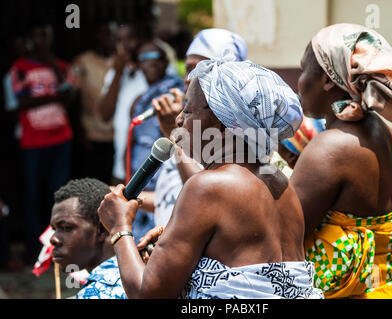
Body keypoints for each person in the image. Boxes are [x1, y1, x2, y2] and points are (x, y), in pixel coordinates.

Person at [97, 56, 323, 299]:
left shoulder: (207, 186)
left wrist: (120, 227)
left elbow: (147, 295)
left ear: (224, 124)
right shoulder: (280, 181)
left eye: (188, 110)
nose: (179, 120)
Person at [289, 23, 392, 298]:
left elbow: (281, 232)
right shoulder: (391, 139)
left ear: (327, 79)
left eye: (303, 70)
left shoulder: (332, 146)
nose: (299, 82)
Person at [151, 28, 248, 228]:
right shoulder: (176, 116)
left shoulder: (238, 132)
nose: (189, 78)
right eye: (188, 68)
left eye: (203, 68)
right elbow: (169, 196)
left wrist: (177, 136)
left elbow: (206, 192)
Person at [9, 22, 75, 263]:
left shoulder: (62, 66)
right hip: (32, 142)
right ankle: (32, 251)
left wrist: (50, 63)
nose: (43, 40)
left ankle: (57, 251)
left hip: (61, 139)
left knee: (58, 196)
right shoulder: (19, 68)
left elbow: (69, 96)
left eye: (46, 35)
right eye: (38, 35)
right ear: (30, 39)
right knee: (33, 196)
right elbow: (17, 105)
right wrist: (55, 97)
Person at [127, 41, 183, 241]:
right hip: (140, 176)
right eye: (144, 58)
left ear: (165, 62)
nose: (150, 63)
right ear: (137, 64)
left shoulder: (176, 93)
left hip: (164, 181)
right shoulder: (140, 99)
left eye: (155, 58)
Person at [49, 178, 127, 299]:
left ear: (101, 229)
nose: (53, 239)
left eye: (66, 228)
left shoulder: (99, 293)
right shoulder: (138, 276)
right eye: (54, 229)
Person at [97, 22, 150, 185]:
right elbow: (104, 114)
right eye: (120, 41)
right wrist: (118, 72)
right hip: (122, 164)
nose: (125, 46)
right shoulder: (116, 73)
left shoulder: (153, 70)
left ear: (141, 40)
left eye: (130, 39)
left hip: (148, 161)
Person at [71, 21, 115, 184]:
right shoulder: (82, 61)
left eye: (111, 33)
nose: (108, 37)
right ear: (95, 36)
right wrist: (79, 130)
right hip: (91, 131)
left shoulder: (120, 61)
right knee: (92, 179)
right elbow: (74, 99)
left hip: (115, 133)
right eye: (104, 33)